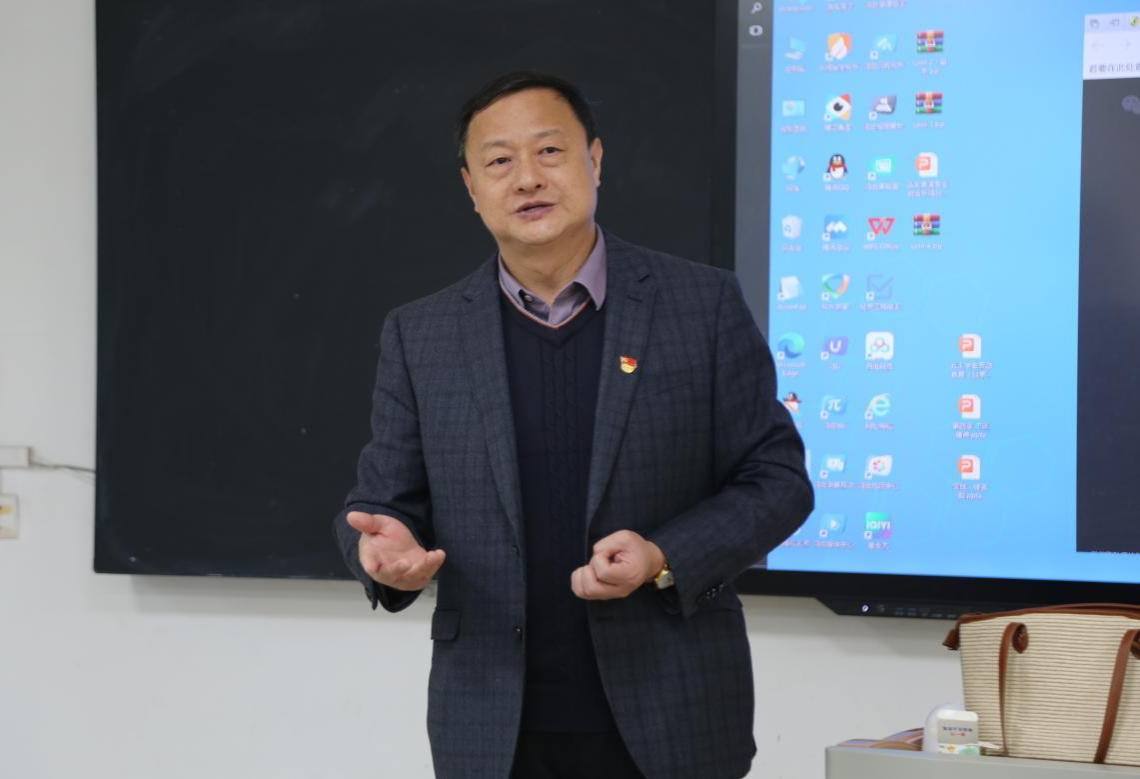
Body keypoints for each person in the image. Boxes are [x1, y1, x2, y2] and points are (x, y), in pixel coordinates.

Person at [333, 71, 813, 779]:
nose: (527, 178)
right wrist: (382, 553)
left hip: (675, 708)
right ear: (471, 188)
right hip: (493, 725)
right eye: (500, 161)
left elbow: (777, 481)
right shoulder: (420, 335)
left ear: (595, 160)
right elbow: (382, 504)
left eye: (549, 151)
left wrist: (663, 555)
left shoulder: (700, 305)